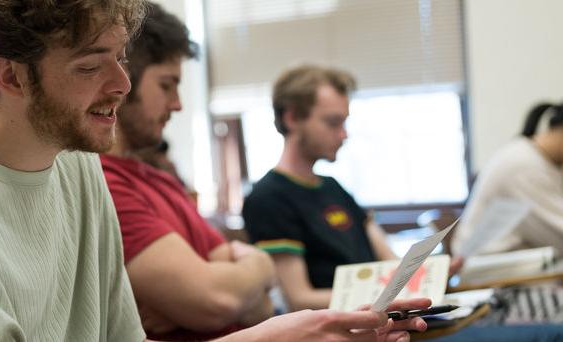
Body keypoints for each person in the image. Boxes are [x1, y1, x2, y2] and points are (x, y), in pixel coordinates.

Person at [0, 0, 428, 341]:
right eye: (90, 66)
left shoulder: (78, 166)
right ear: (10, 77)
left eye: (120, 58)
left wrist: (294, 330)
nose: (122, 85)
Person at [102, 4, 428, 342]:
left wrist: (244, 278)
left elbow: (258, 306)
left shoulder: (160, 181)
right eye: (167, 85)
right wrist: (244, 280)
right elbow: (223, 299)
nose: (178, 104)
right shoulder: (268, 197)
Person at [242, 65, 405, 312]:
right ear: (292, 118)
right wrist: (382, 299)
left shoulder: (333, 187)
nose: (343, 134)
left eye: (344, 122)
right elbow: (299, 299)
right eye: (332, 122)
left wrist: (428, 275)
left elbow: (392, 263)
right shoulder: (268, 198)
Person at [452, 102, 563, 255]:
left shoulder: (534, 157)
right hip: (489, 266)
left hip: (507, 261)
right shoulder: (524, 165)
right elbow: (558, 234)